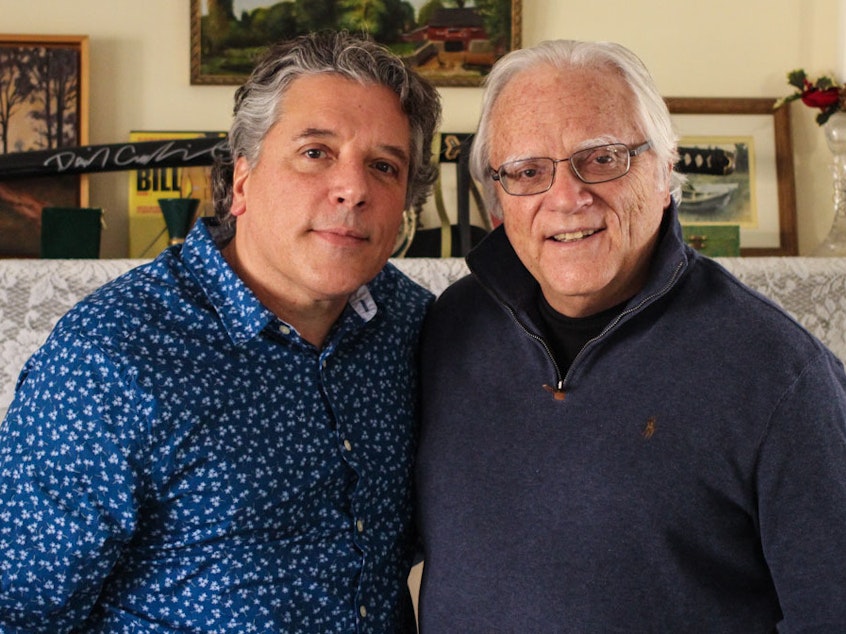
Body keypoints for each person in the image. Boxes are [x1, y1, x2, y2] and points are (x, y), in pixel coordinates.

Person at [0, 30, 441, 632]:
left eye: (384, 166)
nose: (354, 189)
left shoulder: (416, 328)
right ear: (242, 181)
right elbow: (20, 608)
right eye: (316, 152)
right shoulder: (108, 356)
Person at [415, 39, 846, 631]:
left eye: (603, 158)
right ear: (498, 201)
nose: (567, 198)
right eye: (528, 171)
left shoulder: (779, 374)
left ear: (665, 171)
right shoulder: (447, 329)